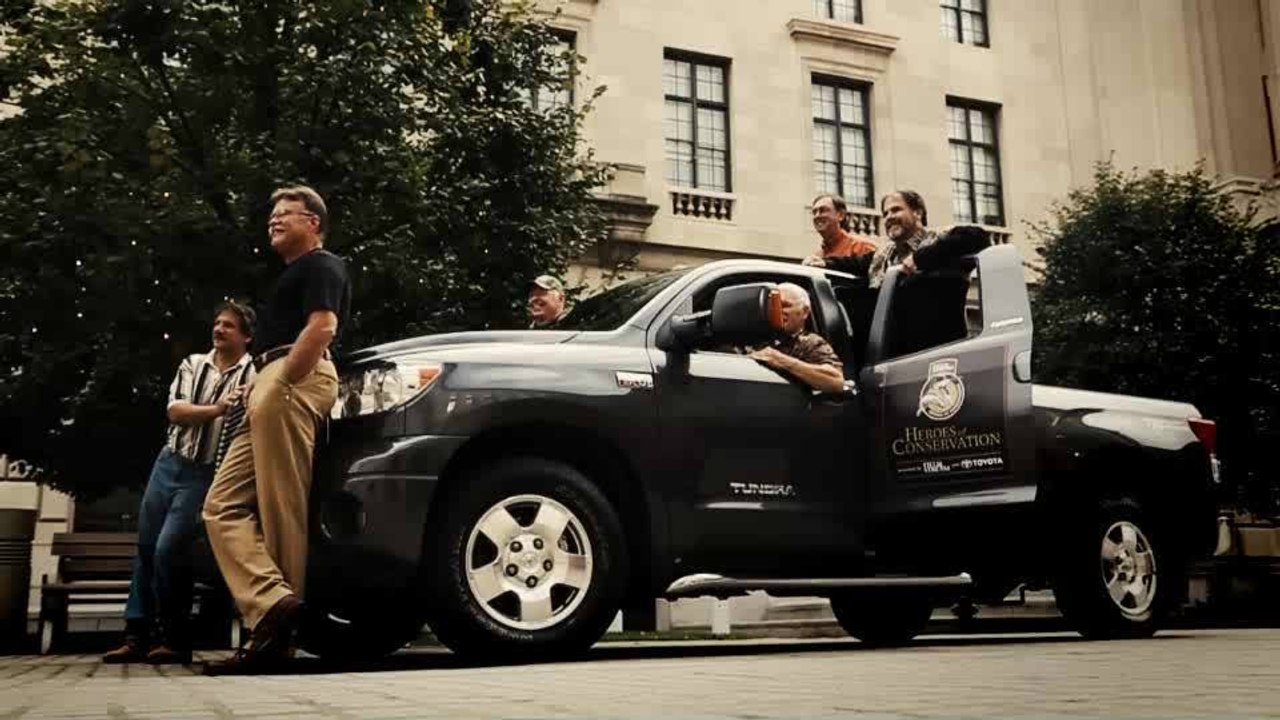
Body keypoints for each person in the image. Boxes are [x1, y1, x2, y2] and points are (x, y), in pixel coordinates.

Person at [202, 185, 350, 675]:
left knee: (279, 504)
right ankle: (273, 603)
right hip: (269, 379)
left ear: (314, 223)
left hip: (294, 376)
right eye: (271, 215)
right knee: (220, 506)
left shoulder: (322, 264)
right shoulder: (290, 275)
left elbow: (323, 326)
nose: (274, 220)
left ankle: (276, 642)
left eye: (287, 213)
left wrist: (281, 380)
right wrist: (257, 383)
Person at [102, 301, 256, 665]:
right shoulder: (193, 364)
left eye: (228, 326)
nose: (218, 329)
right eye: (217, 323)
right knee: (146, 547)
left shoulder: (253, 374)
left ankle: (173, 637)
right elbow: (176, 412)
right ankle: (135, 636)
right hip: (169, 462)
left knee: (169, 549)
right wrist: (218, 409)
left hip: (205, 473)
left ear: (247, 336)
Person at [743, 283, 845, 394]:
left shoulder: (810, 342)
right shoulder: (750, 337)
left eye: (785, 305)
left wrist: (779, 359)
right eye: (773, 305)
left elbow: (836, 382)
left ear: (805, 312)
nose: (777, 311)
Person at [801, 194, 878, 269]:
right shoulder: (817, 257)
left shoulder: (863, 247)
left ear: (841, 215)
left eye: (823, 210)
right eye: (814, 212)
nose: (817, 216)